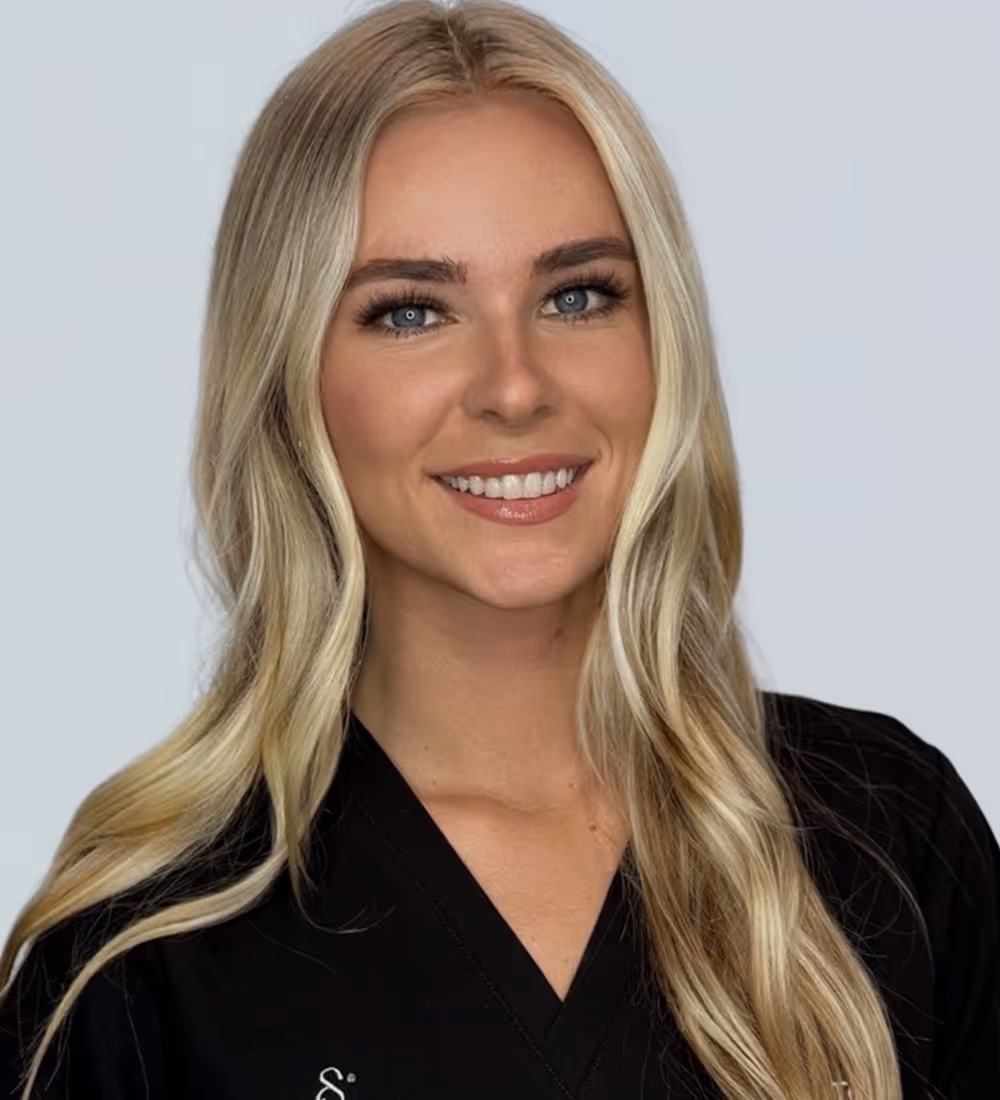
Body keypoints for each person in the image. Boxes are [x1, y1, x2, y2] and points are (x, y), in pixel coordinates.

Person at [1, 1, 997, 1097]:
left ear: (660, 341)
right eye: (412, 311)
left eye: (578, 295)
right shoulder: (146, 959)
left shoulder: (885, 840)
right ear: (289, 375)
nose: (515, 385)